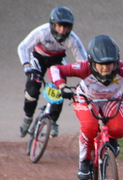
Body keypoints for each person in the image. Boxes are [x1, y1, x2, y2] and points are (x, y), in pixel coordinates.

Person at [48, 35, 123, 180]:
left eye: (110, 63)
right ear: (91, 62)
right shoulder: (83, 68)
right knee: (89, 128)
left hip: (112, 99)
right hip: (86, 99)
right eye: (100, 64)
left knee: (119, 130)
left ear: (116, 61)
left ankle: (113, 140)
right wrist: (62, 86)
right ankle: (84, 161)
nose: (105, 68)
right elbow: (55, 70)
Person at [17, 6, 87, 138]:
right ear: (52, 24)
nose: (62, 30)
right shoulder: (42, 32)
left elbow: (83, 61)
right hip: (38, 57)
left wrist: (87, 79)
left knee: (61, 90)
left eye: (66, 27)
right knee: (32, 91)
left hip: (57, 60)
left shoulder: (73, 39)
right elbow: (23, 47)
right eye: (59, 26)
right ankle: (28, 116)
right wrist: (26, 65)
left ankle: (53, 120)